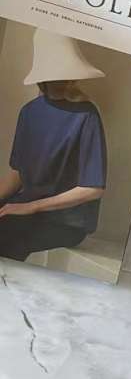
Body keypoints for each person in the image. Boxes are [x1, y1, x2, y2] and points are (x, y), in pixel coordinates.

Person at [0, 28, 108, 261]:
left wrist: (32, 207)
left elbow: (93, 188)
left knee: (7, 237)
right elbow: (19, 173)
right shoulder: (29, 112)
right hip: (25, 209)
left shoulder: (86, 115)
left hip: (66, 222)